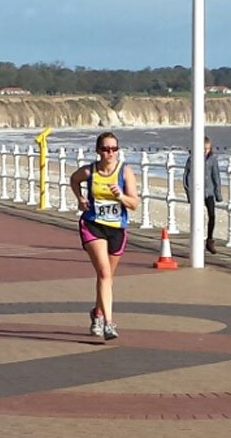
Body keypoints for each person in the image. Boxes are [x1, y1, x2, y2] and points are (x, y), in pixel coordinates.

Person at [70, 131, 139, 340]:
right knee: (104, 273)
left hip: (116, 228)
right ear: (98, 151)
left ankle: (97, 312)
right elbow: (74, 179)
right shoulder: (90, 171)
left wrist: (120, 195)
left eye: (114, 149)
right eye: (106, 149)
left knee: (108, 277)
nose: (110, 153)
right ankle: (109, 323)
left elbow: (134, 204)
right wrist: (80, 198)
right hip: (93, 225)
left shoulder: (125, 172)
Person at [183, 136, 223, 254]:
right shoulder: (192, 159)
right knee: (198, 217)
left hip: (209, 192)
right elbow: (186, 176)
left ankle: (209, 240)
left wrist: (218, 193)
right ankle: (197, 241)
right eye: (204, 149)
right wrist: (190, 194)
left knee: (212, 215)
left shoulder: (212, 159)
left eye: (208, 149)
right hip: (197, 192)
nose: (206, 151)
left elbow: (216, 176)